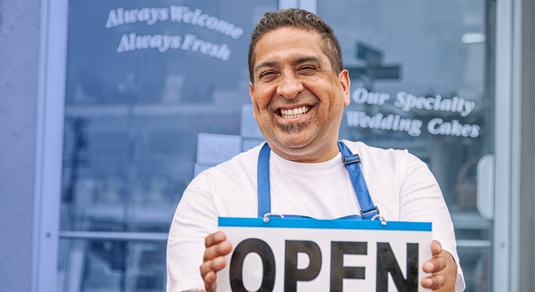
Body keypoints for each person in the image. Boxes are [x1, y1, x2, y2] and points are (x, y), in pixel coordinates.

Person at [167, 8, 465, 292]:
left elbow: (441, 277)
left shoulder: (403, 175)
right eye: (269, 74)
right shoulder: (211, 194)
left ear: (344, 86)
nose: (287, 89)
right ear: (253, 95)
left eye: (306, 68)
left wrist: (442, 276)